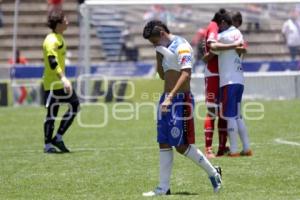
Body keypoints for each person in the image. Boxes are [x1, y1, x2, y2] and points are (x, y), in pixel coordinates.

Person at [142, 20, 222, 197]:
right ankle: (163, 188)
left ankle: (213, 173)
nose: (154, 45)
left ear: (162, 33)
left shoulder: (182, 46)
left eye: (155, 41)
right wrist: (159, 56)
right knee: (163, 141)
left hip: (180, 101)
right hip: (166, 99)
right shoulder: (163, 49)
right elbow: (163, 77)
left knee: (181, 145)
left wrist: (170, 97)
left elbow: (187, 73)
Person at [210, 11, 252, 157]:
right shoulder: (238, 33)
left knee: (229, 116)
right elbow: (242, 48)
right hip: (239, 79)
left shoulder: (223, 36)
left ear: (223, 23)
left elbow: (213, 47)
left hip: (228, 81)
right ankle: (247, 148)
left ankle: (233, 150)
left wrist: (209, 44)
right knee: (238, 116)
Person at [42, 9, 80, 153]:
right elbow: (52, 62)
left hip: (60, 83)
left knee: (75, 105)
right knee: (52, 114)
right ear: (58, 23)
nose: (67, 22)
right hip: (53, 84)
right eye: (65, 20)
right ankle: (47, 145)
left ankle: (57, 137)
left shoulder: (59, 37)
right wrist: (64, 78)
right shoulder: (51, 40)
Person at [202, 9, 228, 158]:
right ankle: (208, 149)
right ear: (222, 21)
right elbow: (212, 46)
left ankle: (222, 147)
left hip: (223, 75)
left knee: (223, 113)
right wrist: (211, 54)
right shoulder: (213, 26)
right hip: (213, 74)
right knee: (212, 111)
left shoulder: (220, 29)